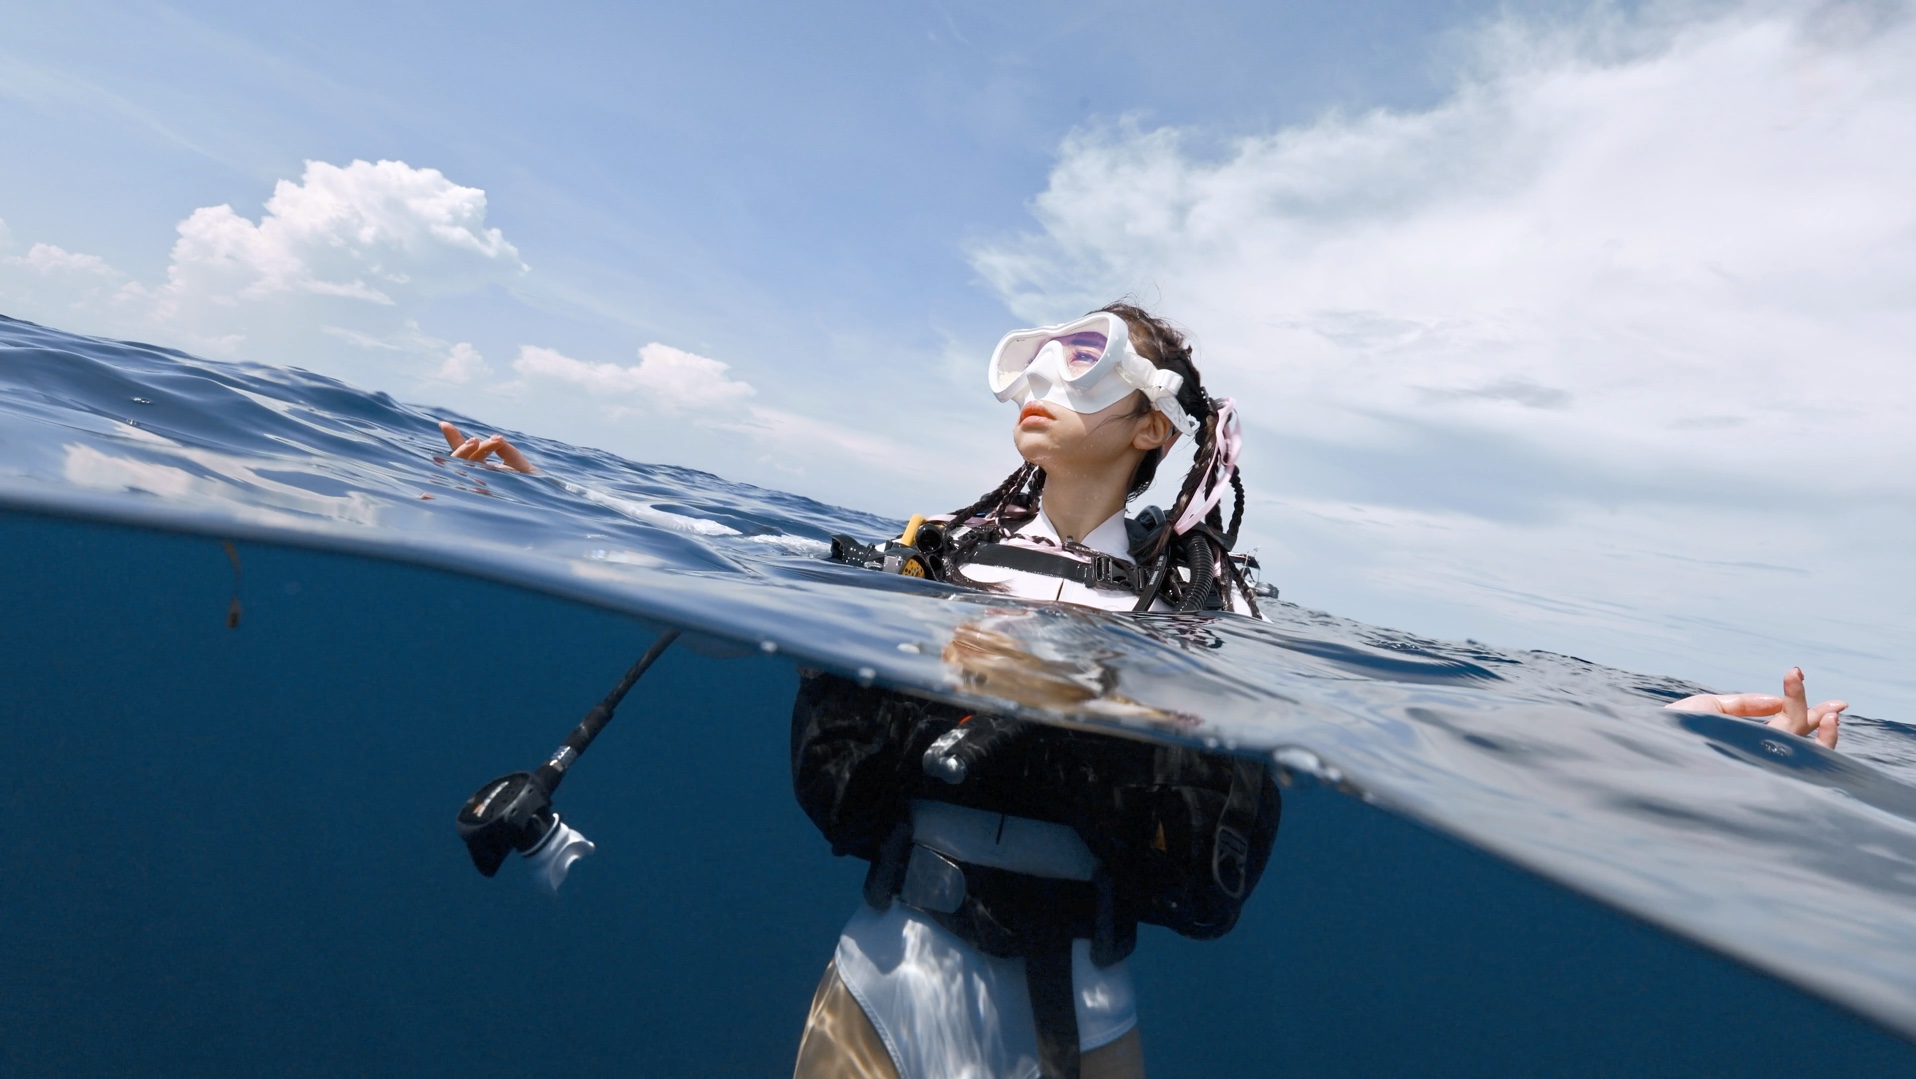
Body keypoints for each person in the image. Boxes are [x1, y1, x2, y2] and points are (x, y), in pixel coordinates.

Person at [435, 304, 1849, 1078]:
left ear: (1154, 425)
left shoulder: (1214, 606)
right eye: (1040, 356)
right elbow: (722, 587)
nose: (1043, 381)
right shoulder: (936, 560)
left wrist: (1681, 732)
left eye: (1086, 363)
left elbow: (1427, 711)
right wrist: (541, 497)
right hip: (881, 975)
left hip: (1082, 1009)